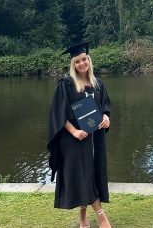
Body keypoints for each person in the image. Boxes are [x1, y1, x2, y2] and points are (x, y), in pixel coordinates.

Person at [47, 42, 112, 228]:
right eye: (78, 61)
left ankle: (83, 214)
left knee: (91, 175)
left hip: (95, 139)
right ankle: (102, 217)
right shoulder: (66, 84)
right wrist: (74, 131)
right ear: (73, 64)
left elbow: (105, 106)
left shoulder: (98, 84)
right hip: (75, 140)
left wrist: (106, 117)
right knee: (83, 175)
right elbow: (58, 113)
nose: (82, 63)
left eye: (84, 59)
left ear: (89, 60)